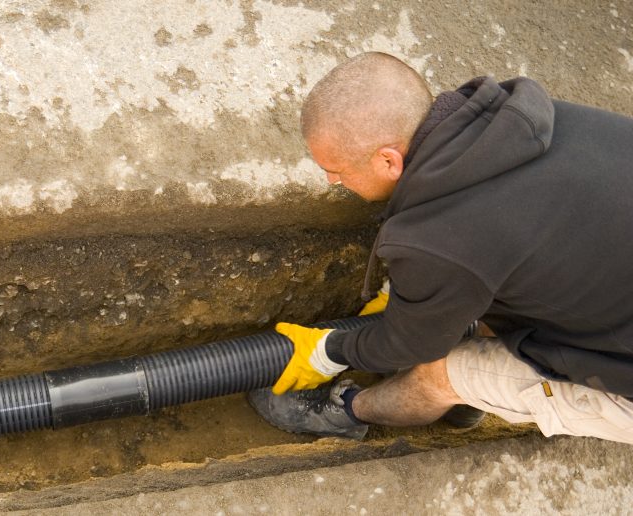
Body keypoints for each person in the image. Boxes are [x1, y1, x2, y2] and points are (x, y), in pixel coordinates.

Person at [248, 52, 633, 444]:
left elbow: (410, 344)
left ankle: (348, 410)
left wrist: (329, 351)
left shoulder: (446, 238)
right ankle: (472, 403)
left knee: (439, 372)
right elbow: (503, 244)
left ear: (387, 161)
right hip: (612, 292)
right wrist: (410, 295)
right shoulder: (520, 123)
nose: (332, 180)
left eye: (338, 170)